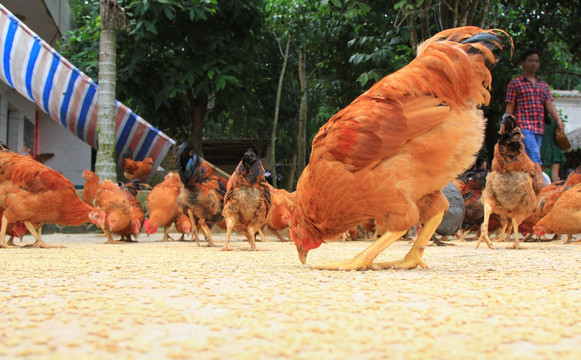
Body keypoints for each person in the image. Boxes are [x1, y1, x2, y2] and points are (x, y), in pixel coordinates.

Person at [505, 48, 565, 181]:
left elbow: (549, 105)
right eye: (530, 61)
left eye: (536, 61)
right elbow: (510, 106)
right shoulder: (515, 83)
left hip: (539, 127)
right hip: (523, 126)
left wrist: (558, 120)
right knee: (535, 157)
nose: (533, 63)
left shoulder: (543, 85)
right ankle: (542, 185)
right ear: (523, 63)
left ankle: (529, 186)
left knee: (529, 160)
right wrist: (506, 126)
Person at [540, 113, 567, 182]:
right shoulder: (555, 118)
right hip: (555, 148)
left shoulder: (538, 119)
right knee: (555, 177)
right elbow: (561, 130)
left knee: (541, 176)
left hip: (542, 148)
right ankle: (558, 191)